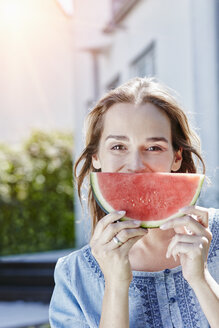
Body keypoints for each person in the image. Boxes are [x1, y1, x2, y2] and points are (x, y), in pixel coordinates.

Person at [49, 77, 219, 328]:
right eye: (118, 146)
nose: (136, 166)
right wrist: (116, 285)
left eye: (153, 148)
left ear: (176, 158)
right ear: (96, 157)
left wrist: (202, 279)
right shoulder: (74, 276)